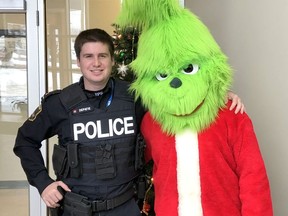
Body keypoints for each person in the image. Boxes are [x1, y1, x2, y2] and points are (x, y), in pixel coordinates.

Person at [13, 28, 244, 216]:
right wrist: (44, 183)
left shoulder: (135, 97)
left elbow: (176, 102)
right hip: (78, 209)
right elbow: (25, 141)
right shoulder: (61, 103)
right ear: (79, 61)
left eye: (102, 55)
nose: (96, 63)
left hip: (127, 208)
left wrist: (217, 96)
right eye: (88, 56)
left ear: (112, 60)